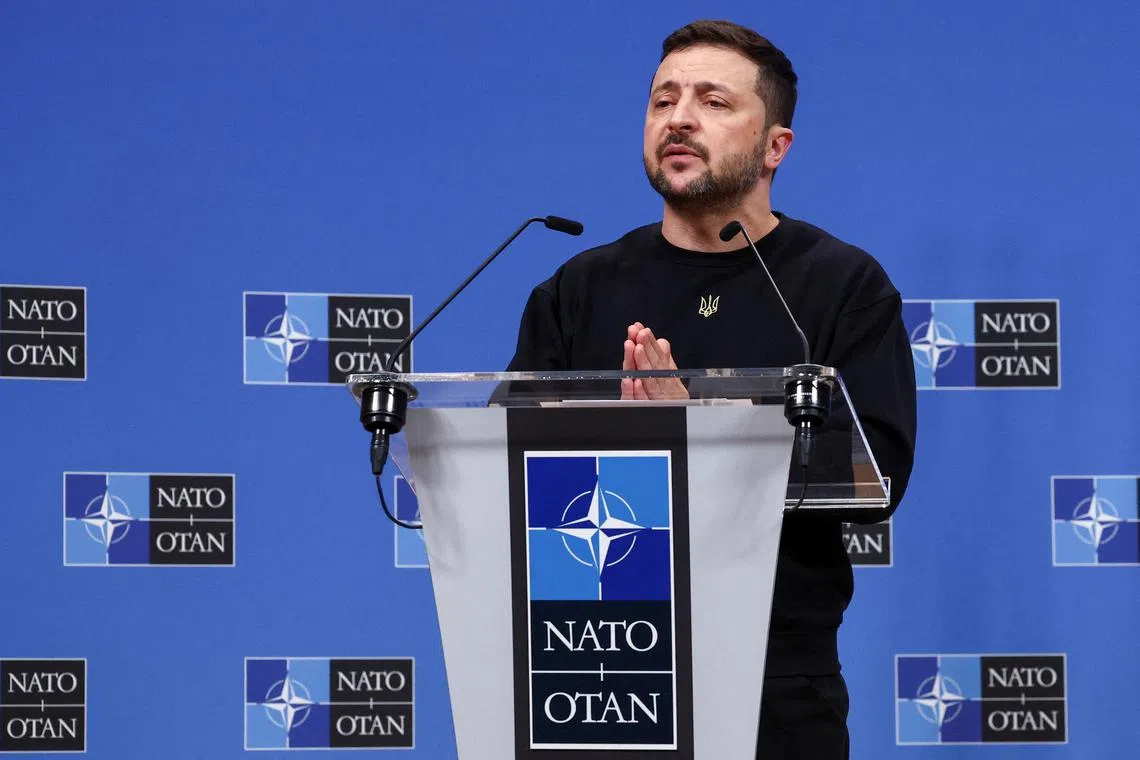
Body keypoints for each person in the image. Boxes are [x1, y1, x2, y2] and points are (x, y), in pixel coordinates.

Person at [503, 18, 917, 760]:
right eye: (663, 100)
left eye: (714, 102)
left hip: (775, 676)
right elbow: (505, 463)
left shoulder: (839, 286)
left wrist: (700, 434)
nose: (680, 118)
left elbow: (877, 475)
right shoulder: (579, 288)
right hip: (598, 663)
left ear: (775, 148)